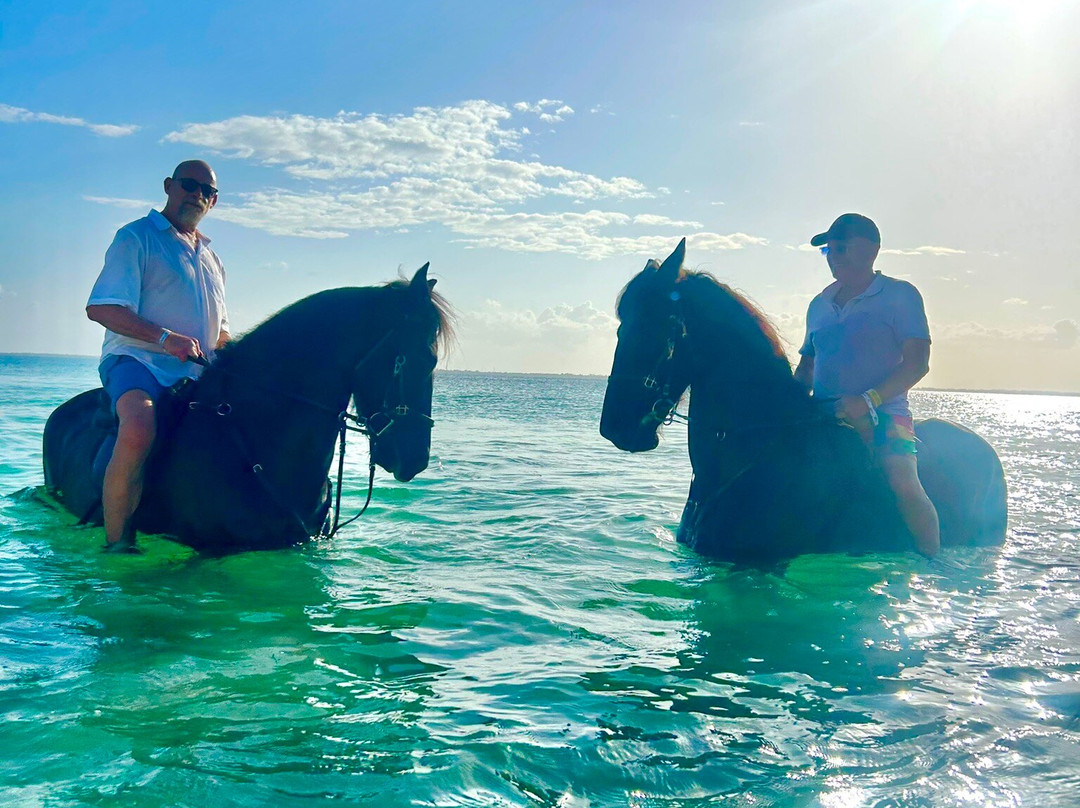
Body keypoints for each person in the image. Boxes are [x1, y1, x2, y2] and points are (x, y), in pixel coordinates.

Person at [86, 160, 230, 552]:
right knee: (137, 428)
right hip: (137, 361)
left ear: (213, 202)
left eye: (208, 191)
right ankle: (118, 544)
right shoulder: (136, 237)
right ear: (169, 186)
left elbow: (220, 333)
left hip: (198, 372)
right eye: (189, 185)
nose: (198, 195)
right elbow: (102, 308)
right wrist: (165, 338)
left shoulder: (213, 260)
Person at [793, 213, 940, 557]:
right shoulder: (819, 305)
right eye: (828, 250)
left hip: (887, 413)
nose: (833, 256)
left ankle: (934, 563)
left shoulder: (900, 295)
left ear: (871, 250)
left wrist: (868, 399)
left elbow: (917, 363)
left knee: (904, 485)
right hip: (822, 416)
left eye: (840, 247)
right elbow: (807, 367)